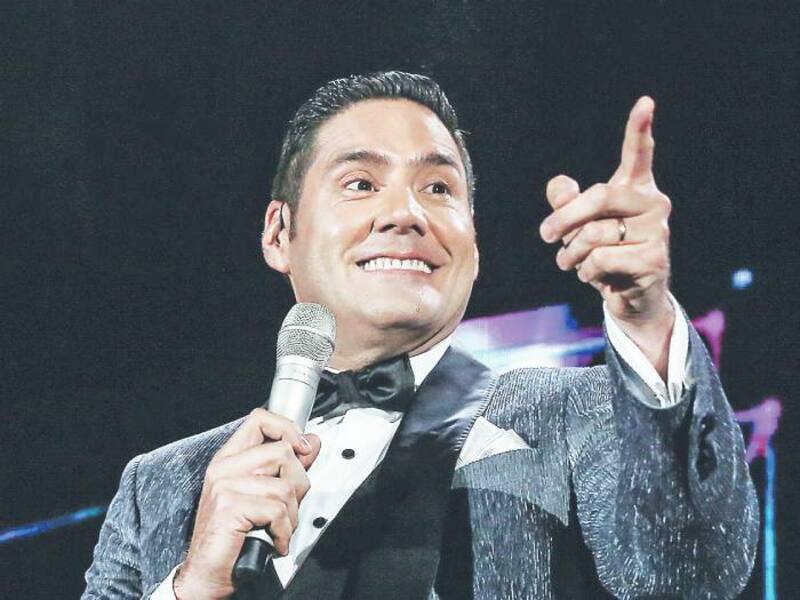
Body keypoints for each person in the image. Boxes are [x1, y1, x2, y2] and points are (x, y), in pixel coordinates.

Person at [82, 71, 758, 599]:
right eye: (360, 182)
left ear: (473, 244)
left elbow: (691, 572)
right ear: (279, 234)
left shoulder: (574, 414)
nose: (405, 213)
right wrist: (192, 586)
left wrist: (643, 314)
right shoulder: (160, 485)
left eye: (438, 188)